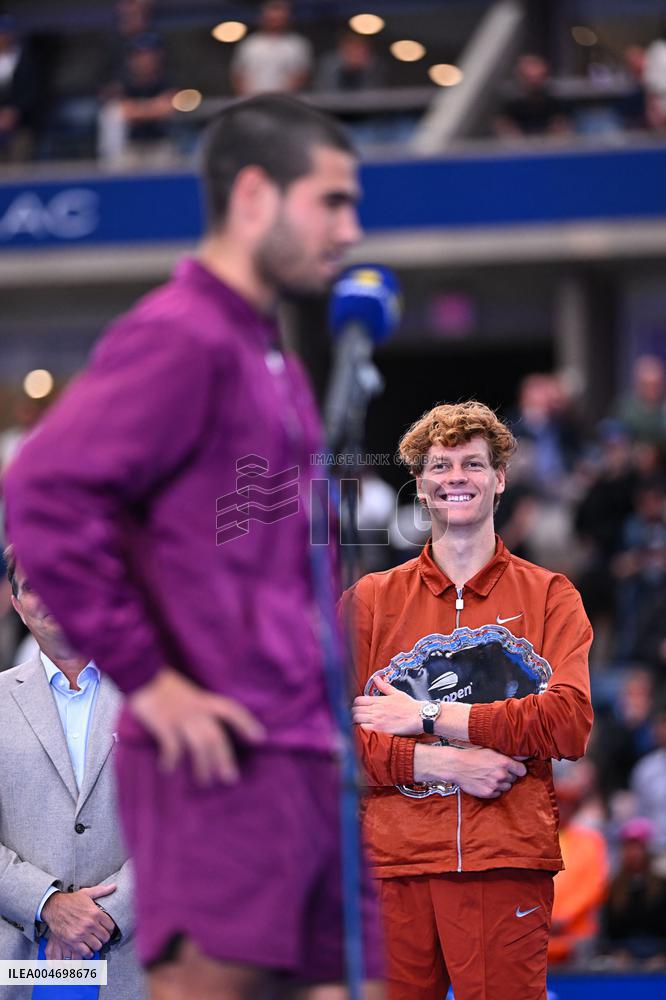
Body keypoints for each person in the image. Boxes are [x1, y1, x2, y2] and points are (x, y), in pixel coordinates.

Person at [3, 93, 382, 1000]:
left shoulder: (268, 352)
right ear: (254, 196)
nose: (351, 229)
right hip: (223, 761)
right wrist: (156, 682)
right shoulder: (182, 334)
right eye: (332, 201)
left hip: (304, 753)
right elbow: (41, 494)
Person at [348, 401, 594, 1000]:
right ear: (420, 484)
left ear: (499, 478)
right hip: (393, 867)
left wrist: (429, 716)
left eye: (473, 464)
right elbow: (327, 741)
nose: (456, 477)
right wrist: (440, 762)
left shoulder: (550, 595)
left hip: (505, 861)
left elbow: (569, 723)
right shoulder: (370, 601)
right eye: (440, 465)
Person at [0, 546, 145, 999]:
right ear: (17, 605)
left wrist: (108, 914)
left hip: (138, 964)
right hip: (19, 966)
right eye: (34, 587)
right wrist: (47, 904)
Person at [230, 1, 312, 96]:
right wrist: (246, 97)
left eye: (279, 19)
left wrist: (282, 96)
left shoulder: (297, 44)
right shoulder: (249, 44)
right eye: (272, 19)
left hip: (286, 99)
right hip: (252, 99)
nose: (276, 23)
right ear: (263, 18)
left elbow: (302, 75)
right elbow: (238, 75)